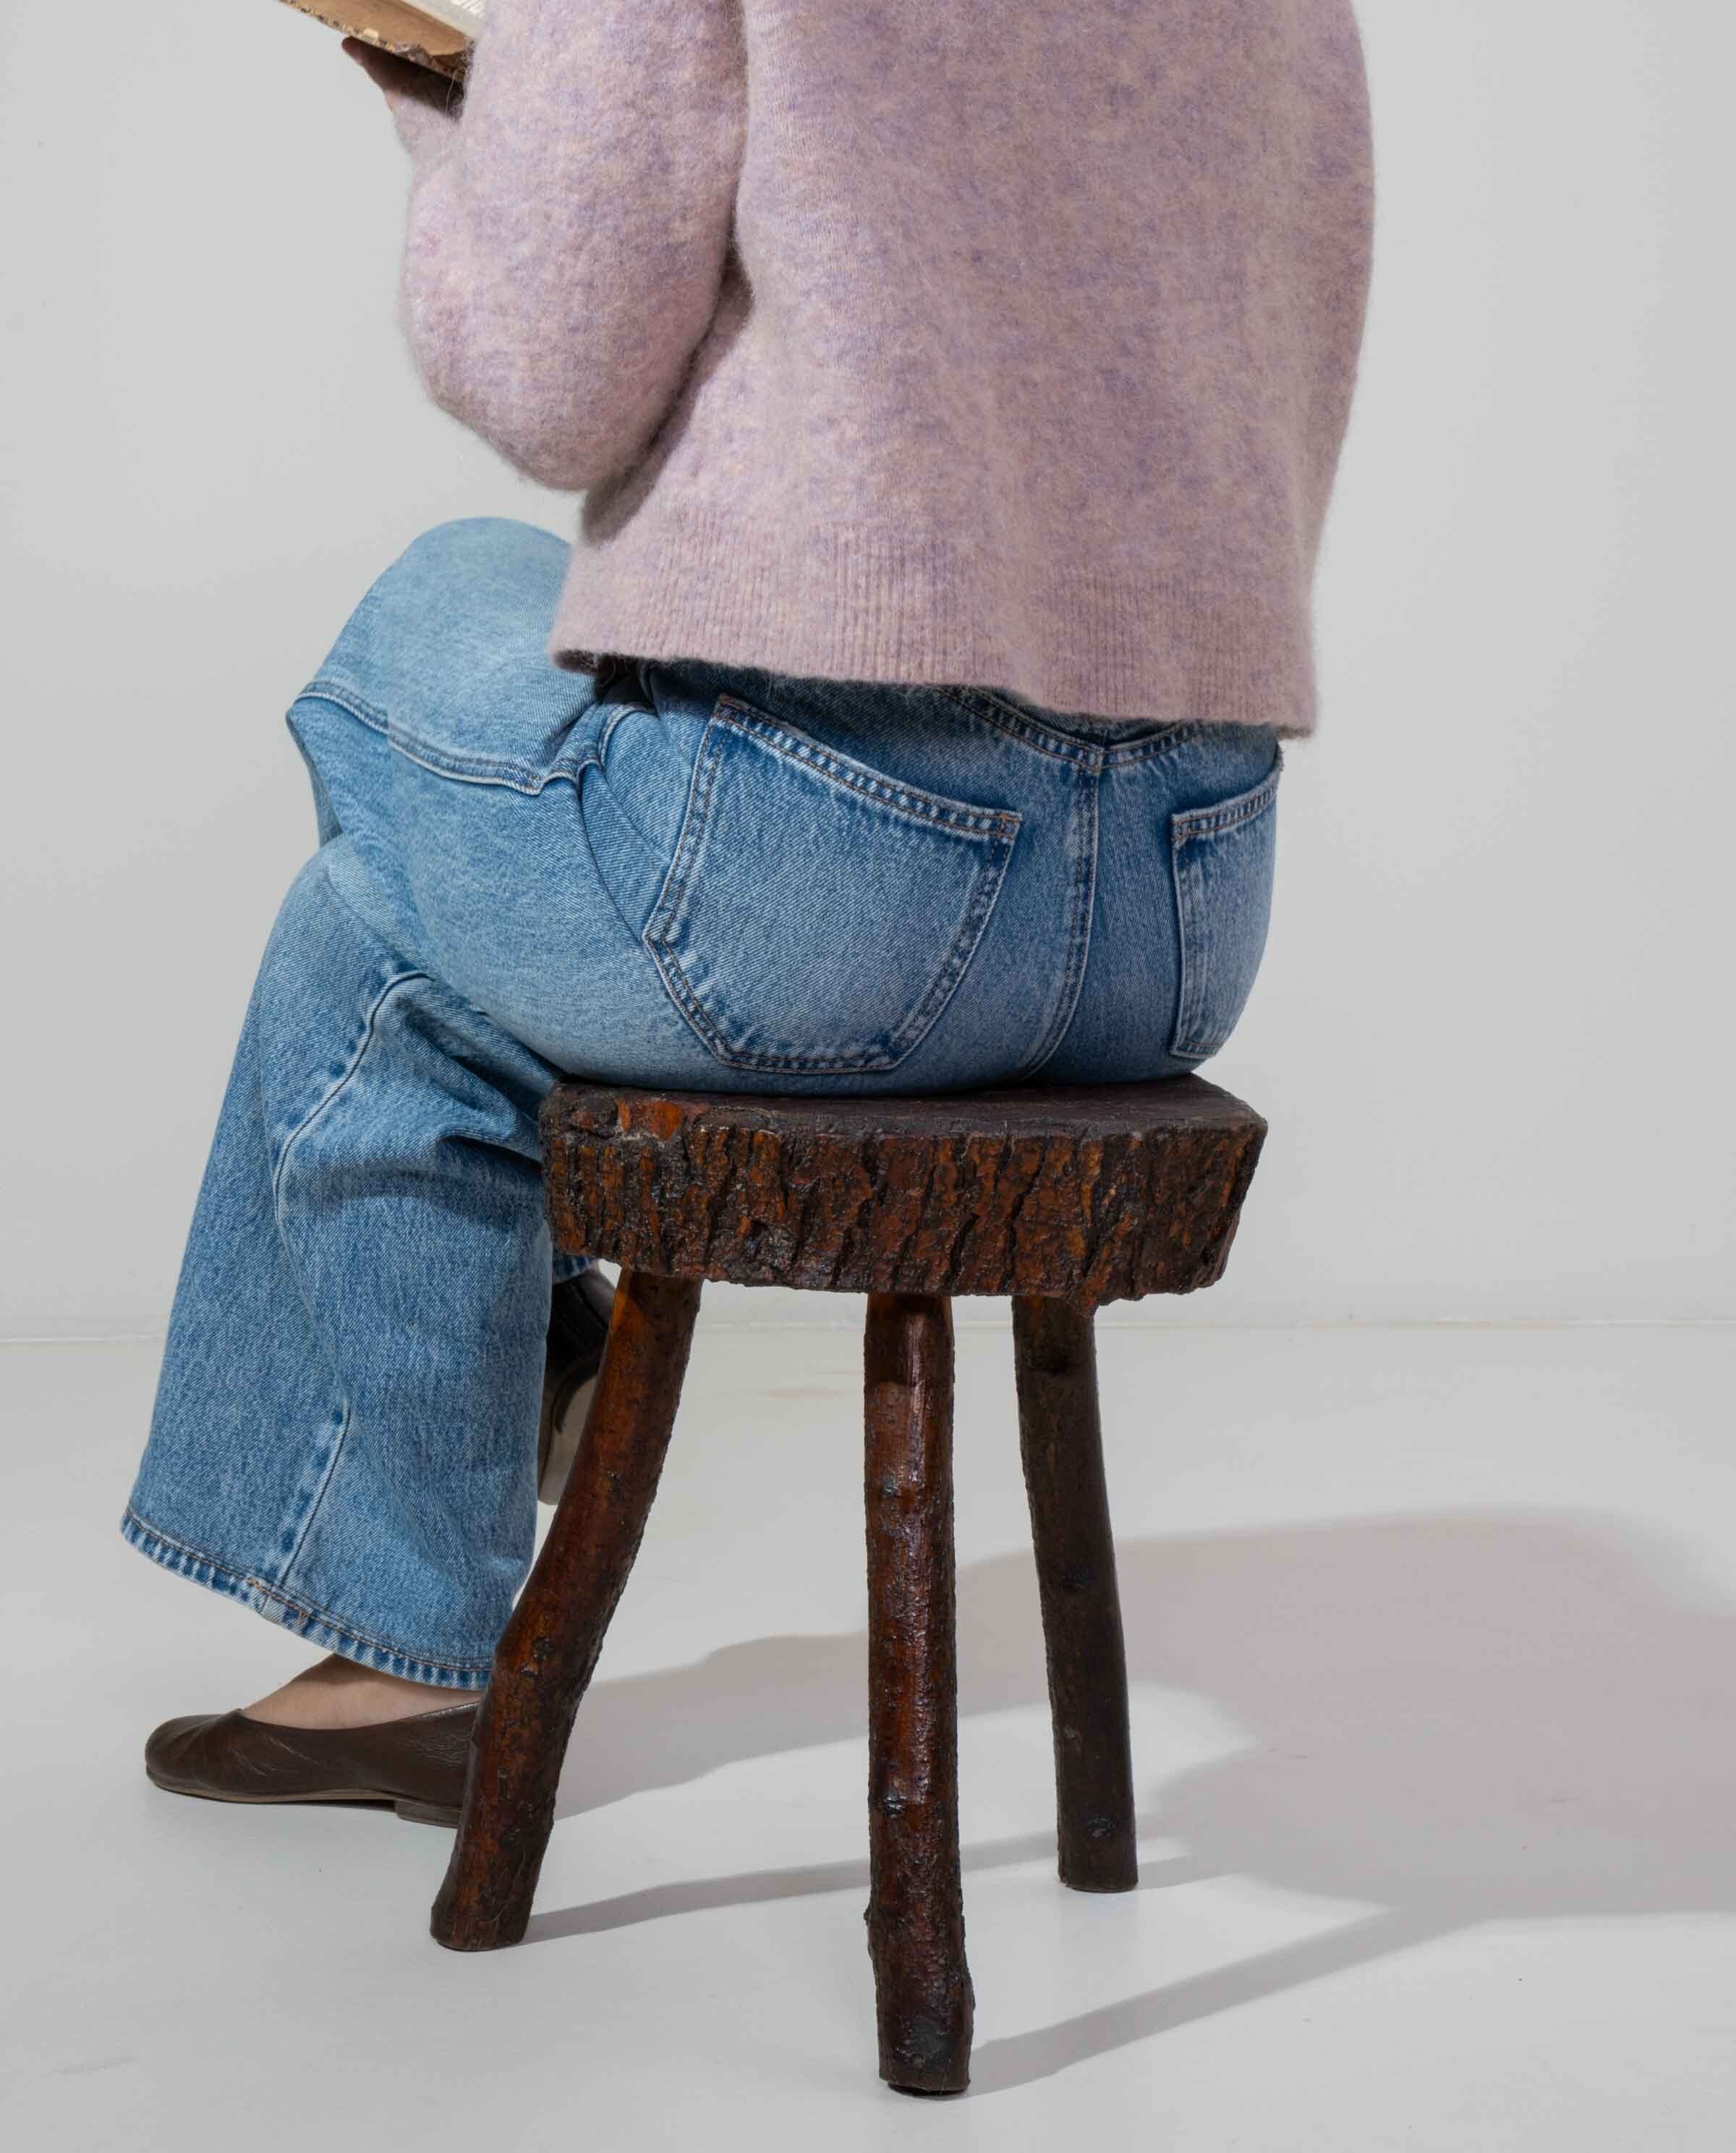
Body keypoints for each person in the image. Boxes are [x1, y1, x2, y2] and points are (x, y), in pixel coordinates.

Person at [125, 0, 1374, 1824]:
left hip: (840, 901)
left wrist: (471, 124)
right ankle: (423, 1587)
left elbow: (547, 374)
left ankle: (433, 1577)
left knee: (423, 625)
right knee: (370, 931)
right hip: (1184, 906)